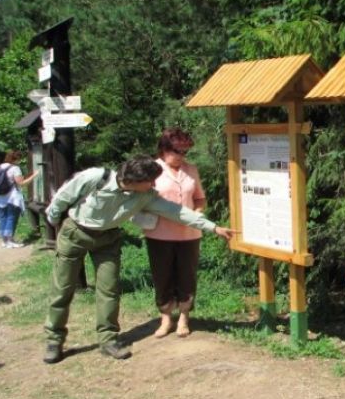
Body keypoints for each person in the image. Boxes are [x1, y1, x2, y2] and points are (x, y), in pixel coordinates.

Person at [42, 155, 235, 364]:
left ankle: (108, 339)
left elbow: (177, 212)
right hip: (76, 233)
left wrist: (213, 227)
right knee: (62, 288)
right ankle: (54, 340)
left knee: (109, 290)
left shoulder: (146, 196)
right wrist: (53, 221)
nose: (154, 185)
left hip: (108, 239)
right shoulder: (95, 177)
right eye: (151, 181)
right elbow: (62, 197)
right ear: (135, 179)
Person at [144, 128, 205, 339]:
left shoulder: (191, 170)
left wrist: (197, 213)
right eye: (177, 152)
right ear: (164, 149)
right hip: (159, 234)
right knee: (163, 276)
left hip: (189, 234)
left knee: (187, 276)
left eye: (184, 152)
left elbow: (199, 198)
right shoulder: (152, 170)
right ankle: (166, 318)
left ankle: (184, 317)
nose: (180, 157)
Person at [0, 150, 40, 248]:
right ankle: (10, 241)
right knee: (11, 218)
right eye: (19, 159)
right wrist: (35, 175)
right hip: (12, 198)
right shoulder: (15, 168)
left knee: (3, 219)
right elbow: (21, 183)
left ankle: (4, 241)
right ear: (16, 159)